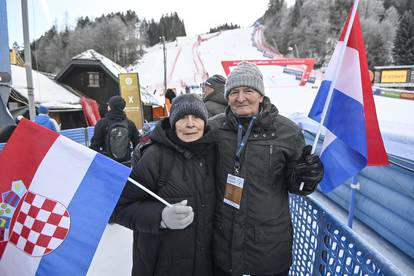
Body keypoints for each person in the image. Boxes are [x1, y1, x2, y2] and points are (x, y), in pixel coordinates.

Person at [209, 62, 324, 276]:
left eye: (248, 90)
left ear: (261, 95)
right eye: (234, 92)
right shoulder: (214, 128)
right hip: (223, 243)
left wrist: (307, 177)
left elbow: (297, 185)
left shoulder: (287, 131)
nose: (240, 97)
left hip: (268, 247)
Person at [111, 94, 216, 276]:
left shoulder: (214, 153)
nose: (190, 123)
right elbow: (119, 208)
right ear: (173, 122)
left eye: (197, 117)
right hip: (160, 267)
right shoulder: (155, 156)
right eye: (182, 117)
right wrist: (160, 217)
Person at [89, 95, 140, 165]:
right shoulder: (130, 124)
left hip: (108, 163)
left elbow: (95, 145)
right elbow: (137, 144)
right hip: (126, 163)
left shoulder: (102, 123)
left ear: (110, 107)